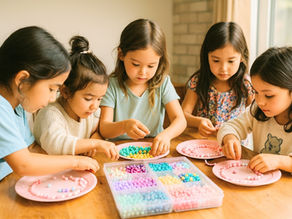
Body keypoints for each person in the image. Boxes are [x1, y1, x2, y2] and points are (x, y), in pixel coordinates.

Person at [0, 26, 99, 181]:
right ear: (22, 80)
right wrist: (74, 162)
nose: (53, 98)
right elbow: (24, 164)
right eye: (52, 89)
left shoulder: (17, 107)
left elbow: (32, 149)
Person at [99, 18, 186, 156]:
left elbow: (180, 120)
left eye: (151, 66)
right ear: (121, 54)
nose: (143, 72)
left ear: (160, 60)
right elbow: (104, 128)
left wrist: (166, 135)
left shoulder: (162, 82)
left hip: (153, 150)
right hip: (117, 153)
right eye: (136, 64)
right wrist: (124, 126)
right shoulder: (111, 85)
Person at [33, 36, 119, 160]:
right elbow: (55, 145)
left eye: (100, 99)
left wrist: (92, 142)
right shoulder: (51, 114)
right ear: (66, 92)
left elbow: (98, 131)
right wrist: (93, 144)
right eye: (88, 99)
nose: (95, 106)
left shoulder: (89, 112)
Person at [217, 47, 292, 173]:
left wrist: (279, 161)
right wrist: (230, 138)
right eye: (255, 92)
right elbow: (230, 126)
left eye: (269, 95)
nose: (260, 101)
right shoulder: (257, 110)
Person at [182, 22, 254, 137]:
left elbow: (255, 116)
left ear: (242, 57)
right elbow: (182, 115)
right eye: (216, 60)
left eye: (231, 61)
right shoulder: (198, 81)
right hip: (204, 145)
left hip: (235, 146)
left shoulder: (246, 83)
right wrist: (199, 122)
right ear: (207, 56)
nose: (223, 69)